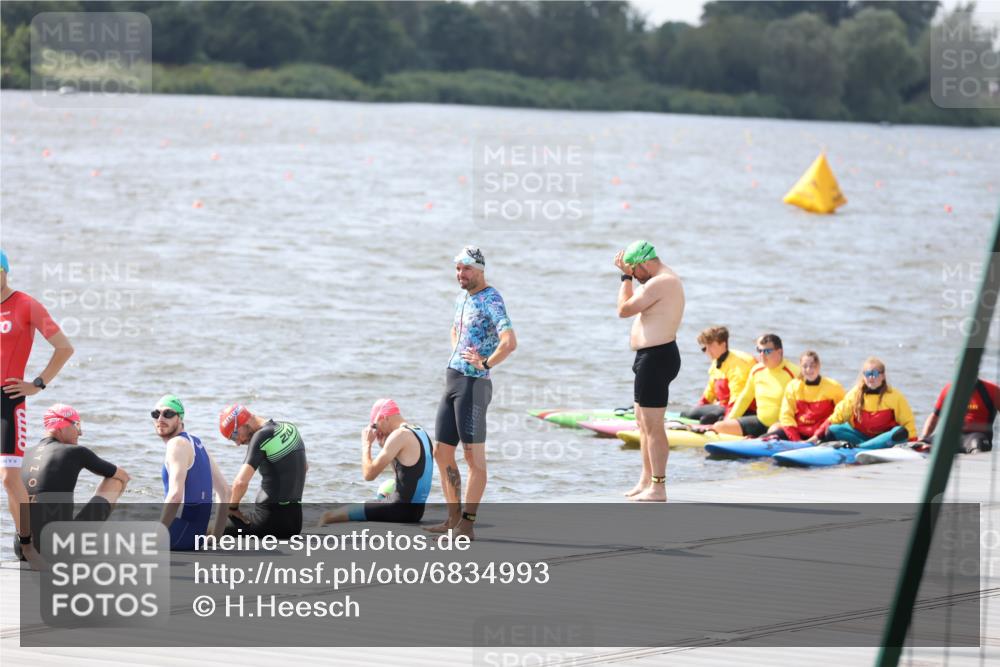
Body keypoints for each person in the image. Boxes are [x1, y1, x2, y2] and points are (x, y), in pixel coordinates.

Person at [428, 246, 516, 540]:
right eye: (457, 269)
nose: (460, 274)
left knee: (473, 458)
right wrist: (458, 351)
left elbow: (509, 341)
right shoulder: (462, 298)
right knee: (441, 453)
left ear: (480, 270)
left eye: (465, 269)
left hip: (474, 384)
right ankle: (452, 518)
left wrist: (485, 361)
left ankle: (467, 522)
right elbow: (455, 329)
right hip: (453, 379)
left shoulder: (492, 299)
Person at [1, 249, 74, 569]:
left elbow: (64, 347)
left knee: (8, 478)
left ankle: (27, 544)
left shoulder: (25, 304)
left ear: (3, 271)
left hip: (8, 400)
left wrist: (38, 383)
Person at [614, 240, 684, 502]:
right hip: (649, 357)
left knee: (654, 426)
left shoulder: (661, 282)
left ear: (643, 263)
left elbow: (624, 309)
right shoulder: (659, 281)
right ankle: (645, 480)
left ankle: (659, 486)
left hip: (658, 357)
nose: (634, 276)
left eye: (634, 271)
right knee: (642, 423)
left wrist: (624, 278)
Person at [18, 404, 129, 558]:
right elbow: (123, 476)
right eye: (77, 425)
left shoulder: (23, 455)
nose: (81, 432)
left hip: (22, 550)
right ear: (61, 425)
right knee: (115, 481)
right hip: (58, 549)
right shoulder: (77, 452)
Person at [319, 399, 433, 525]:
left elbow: (369, 475)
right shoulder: (420, 431)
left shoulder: (399, 435)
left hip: (399, 510)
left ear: (384, 418)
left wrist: (366, 445)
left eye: (375, 425)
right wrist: (384, 445)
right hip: (416, 512)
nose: (376, 431)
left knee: (328, 516)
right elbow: (407, 474)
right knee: (386, 486)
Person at [220, 404, 307, 539]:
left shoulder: (261, 436)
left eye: (234, 436)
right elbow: (305, 467)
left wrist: (232, 509)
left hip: (268, 521)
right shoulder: (289, 427)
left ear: (242, 422)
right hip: (295, 523)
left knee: (213, 526)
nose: (237, 443)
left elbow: (240, 483)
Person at [156, 395, 230, 550]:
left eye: (168, 414)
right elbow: (225, 491)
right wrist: (215, 538)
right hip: (195, 536)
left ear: (180, 419)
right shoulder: (196, 442)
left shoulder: (176, 444)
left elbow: (175, 496)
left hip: (177, 536)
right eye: (156, 414)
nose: (160, 418)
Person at [698, 333, 798, 438]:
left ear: (779, 352)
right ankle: (752, 439)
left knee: (772, 431)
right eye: (760, 351)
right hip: (760, 421)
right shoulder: (756, 370)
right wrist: (729, 419)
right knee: (719, 426)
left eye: (767, 351)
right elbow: (745, 398)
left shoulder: (794, 373)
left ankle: (758, 440)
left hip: (781, 425)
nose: (762, 355)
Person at [809, 358, 916, 448]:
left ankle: (859, 448)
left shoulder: (895, 396)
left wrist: (914, 444)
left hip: (883, 439)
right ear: (863, 376)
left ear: (883, 376)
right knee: (832, 430)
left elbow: (908, 423)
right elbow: (837, 417)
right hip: (860, 437)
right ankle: (865, 446)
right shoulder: (855, 394)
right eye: (868, 374)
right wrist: (817, 436)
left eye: (875, 373)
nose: (871, 377)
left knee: (901, 431)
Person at [681, 326, 755, 425]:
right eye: (704, 348)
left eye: (710, 345)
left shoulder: (739, 364)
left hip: (745, 410)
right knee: (687, 414)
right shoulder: (716, 362)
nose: (707, 351)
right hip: (723, 406)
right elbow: (709, 393)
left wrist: (727, 422)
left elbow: (738, 399)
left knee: (705, 420)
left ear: (723, 344)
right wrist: (699, 408)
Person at [767, 351, 845, 440]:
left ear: (819, 366)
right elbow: (786, 415)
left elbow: (841, 414)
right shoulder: (793, 386)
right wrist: (796, 440)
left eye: (812, 366)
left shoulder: (834, 387)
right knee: (773, 430)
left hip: (822, 434)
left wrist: (818, 435)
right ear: (800, 367)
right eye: (805, 366)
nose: (808, 370)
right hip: (799, 433)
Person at [918, 378, 998, 453]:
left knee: (978, 445)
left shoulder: (991, 390)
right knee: (918, 445)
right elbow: (935, 416)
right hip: (950, 436)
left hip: (976, 437)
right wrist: (924, 437)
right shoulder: (949, 389)